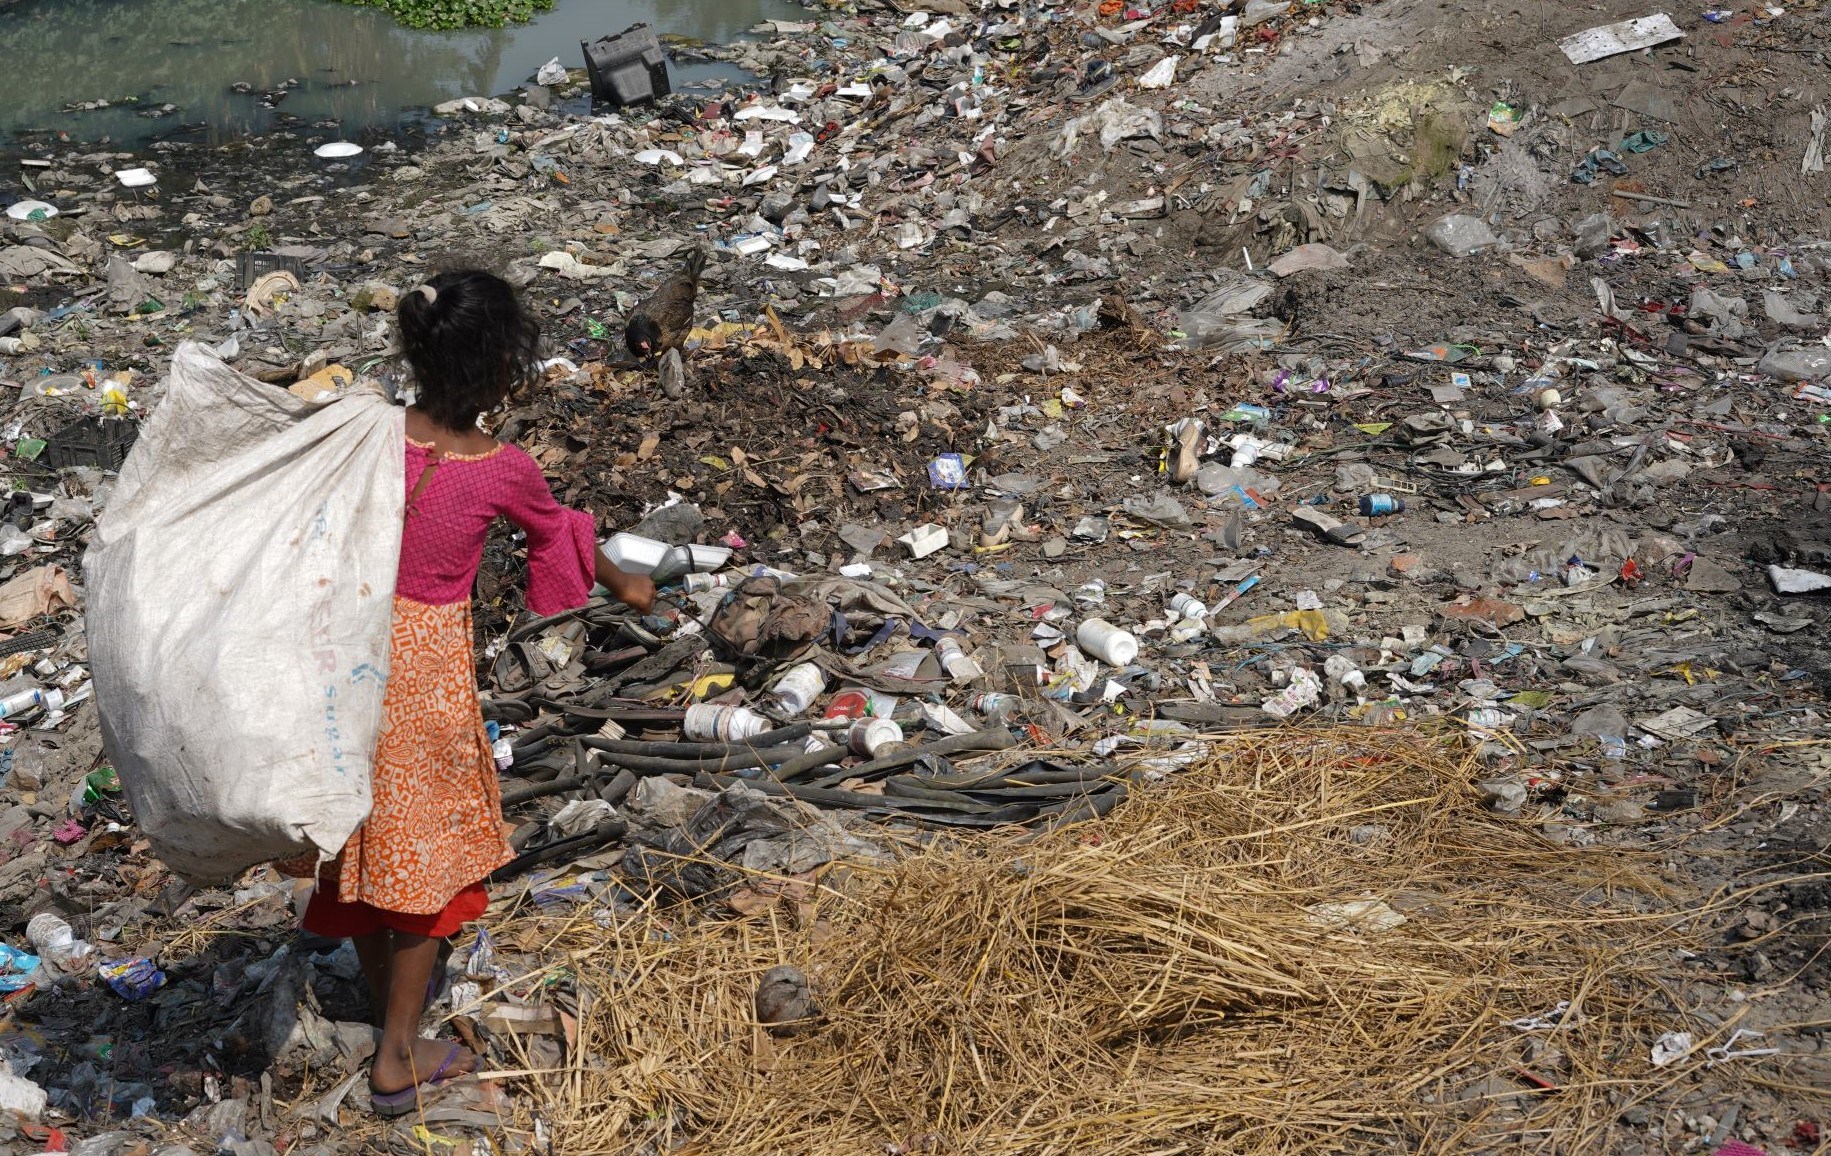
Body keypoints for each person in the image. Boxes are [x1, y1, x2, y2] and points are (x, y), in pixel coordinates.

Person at [295, 269, 655, 1117]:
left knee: (367, 831)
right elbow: (556, 534)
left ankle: (385, 1007)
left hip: (342, 655)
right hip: (421, 669)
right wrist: (625, 584)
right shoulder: (500, 467)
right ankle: (396, 1056)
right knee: (424, 857)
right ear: (502, 364)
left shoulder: (369, 435)